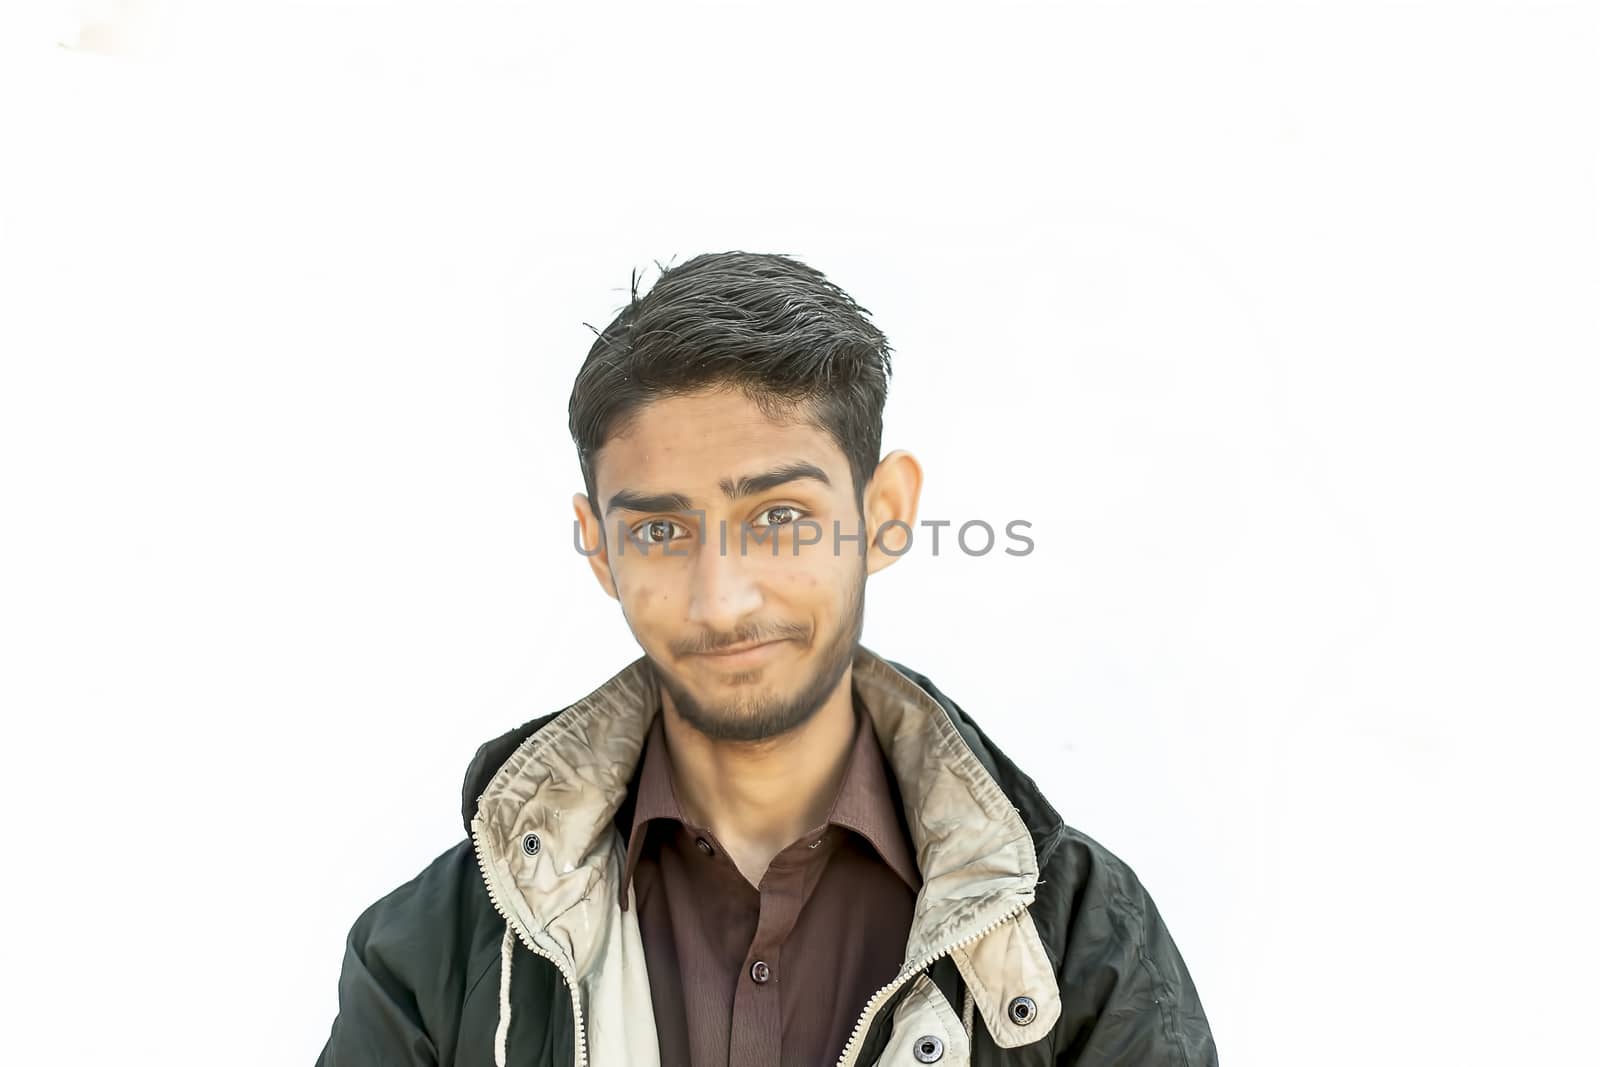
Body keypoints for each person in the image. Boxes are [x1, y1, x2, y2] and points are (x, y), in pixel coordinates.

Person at [317, 251, 1217, 1066]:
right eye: (662, 530)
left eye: (779, 518)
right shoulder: (433, 955)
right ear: (599, 549)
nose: (722, 598)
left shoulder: (1076, 939)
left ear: (887, 511)